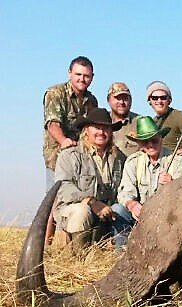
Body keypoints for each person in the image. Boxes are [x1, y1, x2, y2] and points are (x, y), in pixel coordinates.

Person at [54, 108, 130, 250]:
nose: (101, 132)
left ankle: (120, 253)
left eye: (106, 128)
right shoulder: (69, 155)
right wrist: (91, 202)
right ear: (86, 130)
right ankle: (80, 258)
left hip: (107, 215)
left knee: (120, 209)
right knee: (81, 211)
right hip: (75, 211)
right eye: (96, 127)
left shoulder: (119, 158)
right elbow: (64, 187)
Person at [113, 116, 182, 248]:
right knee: (117, 210)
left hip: (166, 217)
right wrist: (132, 205)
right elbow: (124, 193)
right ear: (140, 143)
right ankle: (122, 250)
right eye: (145, 141)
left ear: (161, 139)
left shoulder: (177, 161)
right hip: (139, 217)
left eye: (154, 140)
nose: (150, 145)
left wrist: (172, 184)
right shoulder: (133, 161)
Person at [43, 56, 98, 187]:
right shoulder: (55, 93)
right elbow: (52, 123)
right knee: (56, 198)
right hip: (58, 157)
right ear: (69, 73)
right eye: (78, 74)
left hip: (83, 159)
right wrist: (63, 141)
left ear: (92, 77)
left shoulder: (92, 100)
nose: (82, 79)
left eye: (86, 76)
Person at [146, 80, 182, 169]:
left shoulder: (179, 117)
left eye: (163, 98)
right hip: (166, 168)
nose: (159, 101)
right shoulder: (152, 123)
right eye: (155, 98)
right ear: (149, 101)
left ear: (169, 100)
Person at [107, 82, 140, 156]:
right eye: (117, 98)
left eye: (125, 99)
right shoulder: (101, 122)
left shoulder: (140, 122)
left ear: (131, 101)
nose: (122, 102)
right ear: (108, 100)